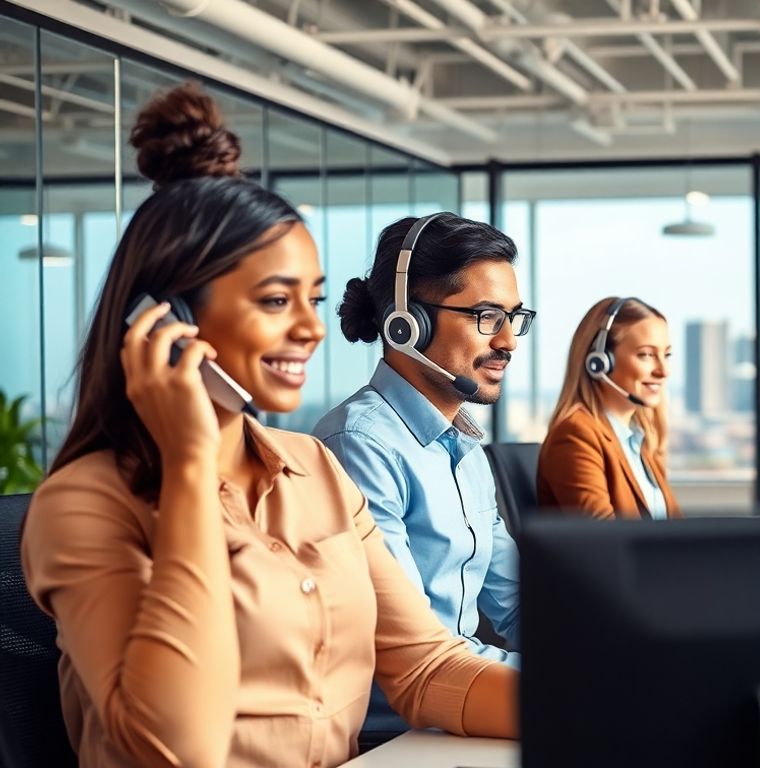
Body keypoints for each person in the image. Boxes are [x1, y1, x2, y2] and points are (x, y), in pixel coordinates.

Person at [21, 83, 516, 768]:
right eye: (277, 300)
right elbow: (173, 748)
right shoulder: (86, 502)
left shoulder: (314, 469)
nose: (312, 328)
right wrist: (190, 468)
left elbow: (427, 668)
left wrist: (601, 703)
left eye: (313, 298)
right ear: (168, 318)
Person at [313, 212, 527, 736]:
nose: (509, 341)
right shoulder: (359, 445)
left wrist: (598, 653)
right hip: (393, 736)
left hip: (460, 709)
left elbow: (520, 601)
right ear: (407, 323)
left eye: (514, 318)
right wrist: (570, 682)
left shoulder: (465, 447)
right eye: (486, 316)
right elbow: (414, 655)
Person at [537, 296, 680, 519]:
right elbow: (604, 536)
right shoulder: (575, 435)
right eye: (646, 355)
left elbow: (675, 531)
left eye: (666, 355)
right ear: (600, 361)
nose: (663, 371)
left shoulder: (639, 439)